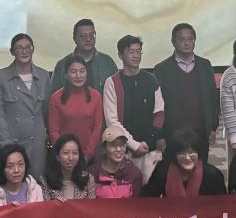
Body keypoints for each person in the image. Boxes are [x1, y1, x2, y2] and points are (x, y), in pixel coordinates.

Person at [102, 35, 165, 180]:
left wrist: (147, 143)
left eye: (138, 51)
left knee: (150, 189)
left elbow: (159, 113)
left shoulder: (151, 79)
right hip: (123, 150)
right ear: (120, 55)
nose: (136, 56)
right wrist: (134, 145)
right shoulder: (112, 82)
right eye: (131, 52)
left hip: (149, 148)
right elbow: (112, 120)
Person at [0, 33, 51, 180]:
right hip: (12, 141)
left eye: (28, 47)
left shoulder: (44, 76)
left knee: (36, 185)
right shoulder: (1, 76)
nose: (24, 51)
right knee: (10, 184)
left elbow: (46, 111)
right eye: (19, 48)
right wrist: (5, 143)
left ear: (33, 49)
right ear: (12, 52)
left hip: (37, 143)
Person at [153, 23, 219, 145]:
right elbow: (157, 105)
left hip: (201, 132)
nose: (187, 43)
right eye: (182, 39)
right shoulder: (162, 69)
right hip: (172, 134)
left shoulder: (205, 65)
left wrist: (213, 127)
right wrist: (159, 135)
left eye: (190, 39)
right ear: (173, 42)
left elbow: (213, 98)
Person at [47, 56, 104, 162]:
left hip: (89, 156)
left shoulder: (96, 96)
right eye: (73, 72)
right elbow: (54, 130)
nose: (78, 76)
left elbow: (97, 128)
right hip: (64, 157)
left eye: (82, 71)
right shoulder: (55, 98)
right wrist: (65, 153)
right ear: (66, 75)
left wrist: (86, 155)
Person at [140, 128, 226, 197]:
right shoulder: (163, 171)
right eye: (182, 153)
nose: (187, 157)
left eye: (191, 152)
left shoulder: (213, 175)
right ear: (174, 155)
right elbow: (146, 199)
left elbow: (222, 205)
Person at [50, 19, 118, 93]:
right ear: (74, 38)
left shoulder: (108, 62)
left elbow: (117, 91)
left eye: (92, 35)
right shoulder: (62, 65)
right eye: (83, 36)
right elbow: (54, 95)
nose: (88, 39)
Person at [89, 124, 146, 199]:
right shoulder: (92, 173)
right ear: (104, 147)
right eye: (113, 145)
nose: (119, 149)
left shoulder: (135, 174)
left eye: (122, 144)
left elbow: (135, 204)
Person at [41, 134, 97, 201]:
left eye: (75, 153)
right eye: (66, 153)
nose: (71, 158)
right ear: (57, 156)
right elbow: (45, 206)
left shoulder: (88, 179)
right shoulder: (46, 181)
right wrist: (55, 204)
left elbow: (91, 206)